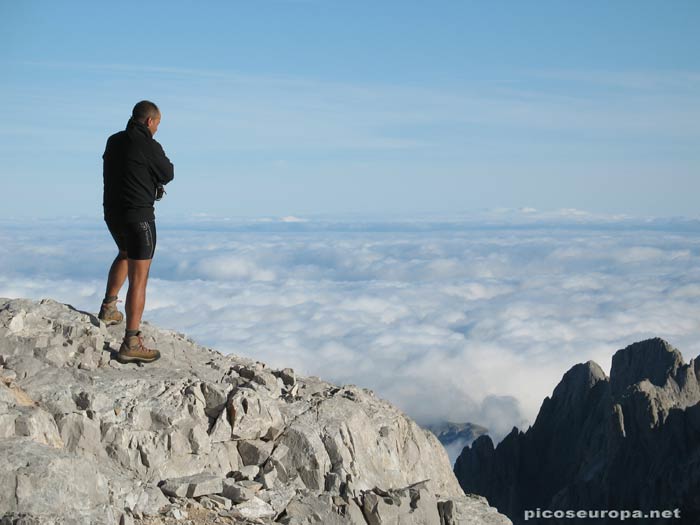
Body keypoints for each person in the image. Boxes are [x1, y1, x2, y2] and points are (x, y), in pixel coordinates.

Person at [98, 100, 174, 364]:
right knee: (139, 278)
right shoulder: (149, 145)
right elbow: (167, 173)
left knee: (124, 252)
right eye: (158, 125)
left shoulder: (113, 141)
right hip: (139, 217)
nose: (157, 130)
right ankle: (131, 341)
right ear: (150, 121)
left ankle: (109, 308)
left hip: (112, 214)